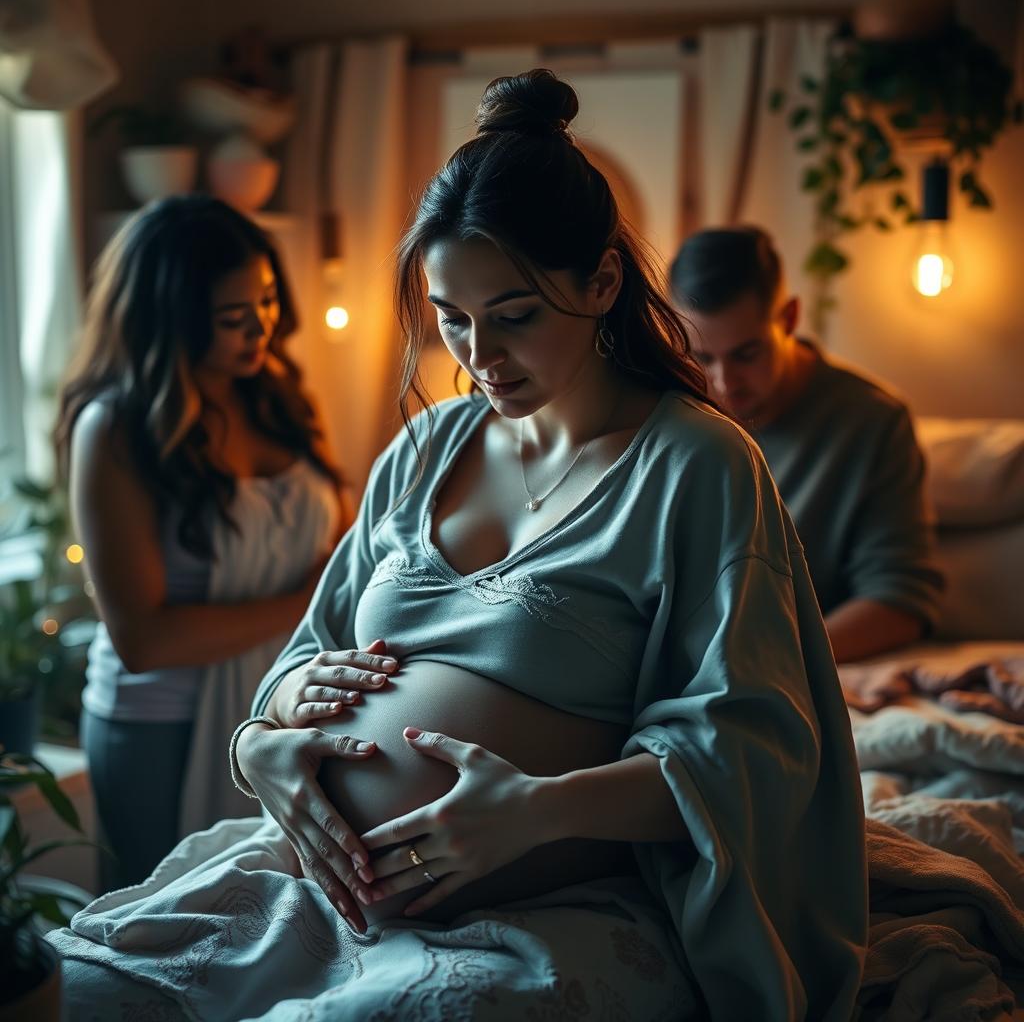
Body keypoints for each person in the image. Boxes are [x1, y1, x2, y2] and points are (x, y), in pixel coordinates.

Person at [49, 71, 866, 1020]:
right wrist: (258, 746)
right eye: (452, 319)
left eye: (514, 315)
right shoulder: (425, 449)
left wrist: (538, 811)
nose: (481, 355)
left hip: (538, 908)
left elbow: (755, 747)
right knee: (81, 992)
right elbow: (304, 655)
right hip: (314, 882)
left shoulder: (697, 464)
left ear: (601, 281)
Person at [53, 195, 356, 892]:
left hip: (273, 703)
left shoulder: (276, 396)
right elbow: (144, 640)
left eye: (269, 302)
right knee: (166, 920)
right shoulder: (118, 428)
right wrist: (309, 600)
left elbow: (337, 538)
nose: (261, 329)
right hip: (160, 728)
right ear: (170, 322)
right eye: (231, 317)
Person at [670, 226, 943, 663]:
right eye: (701, 357)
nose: (723, 383)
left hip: (781, 664)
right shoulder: (674, 412)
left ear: (789, 318)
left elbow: (901, 602)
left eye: (746, 354)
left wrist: (764, 660)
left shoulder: (873, 423)